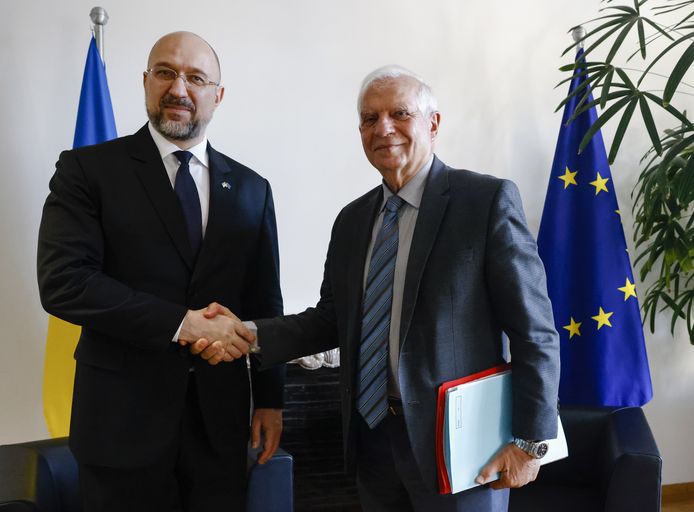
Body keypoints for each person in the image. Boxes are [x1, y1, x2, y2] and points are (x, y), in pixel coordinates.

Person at [201, 65, 561, 511]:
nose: (383, 128)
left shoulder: (484, 202)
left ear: (433, 123)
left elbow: (536, 332)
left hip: (462, 449)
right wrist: (248, 334)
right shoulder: (351, 221)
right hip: (372, 442)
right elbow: (331, 320)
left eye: (399, 113)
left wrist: (531, 442)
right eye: (370, 119)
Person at [37, 31, 284, 512]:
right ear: (145, 81)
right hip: (119, 428)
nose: (179, 89)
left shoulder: (253, 189)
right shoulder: (88, 171)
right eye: (166, 73)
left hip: (219, 428)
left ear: (218, 94)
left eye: (196, 78)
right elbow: (64, 283)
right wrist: (181, 323)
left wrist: (272, 400)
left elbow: (263, 302)